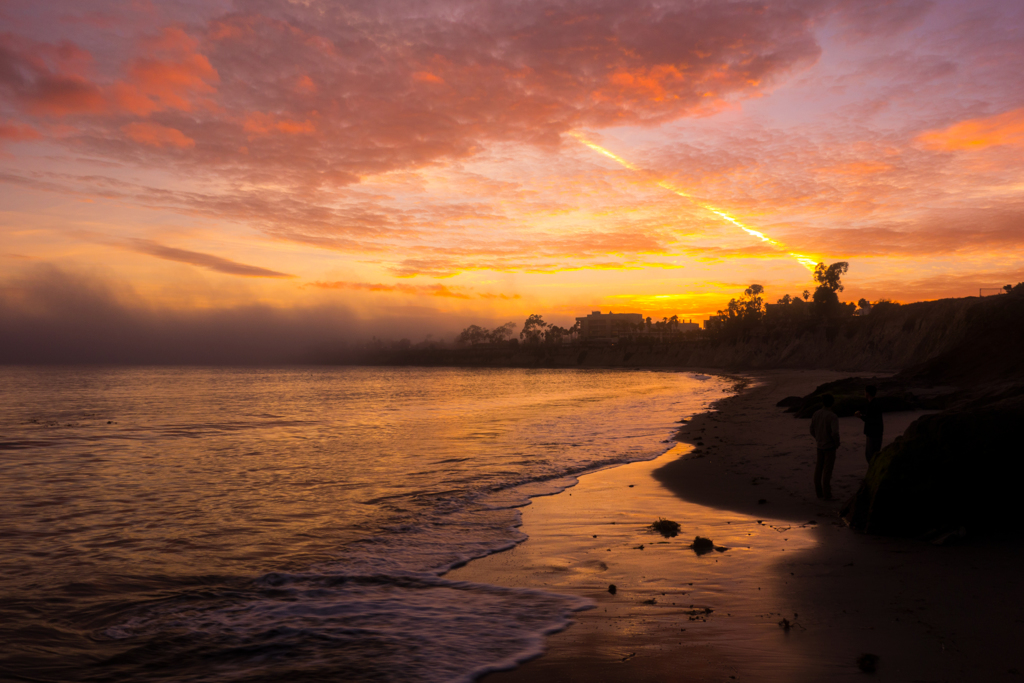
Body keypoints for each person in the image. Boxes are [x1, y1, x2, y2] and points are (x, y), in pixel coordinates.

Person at [810, 394, 840, 500]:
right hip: (829, 446)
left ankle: (819, 492)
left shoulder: (816, 414)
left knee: (819, 468)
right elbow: (835, 432)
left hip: (819, 445)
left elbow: (812, 430)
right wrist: (837, 443)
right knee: (827, 471)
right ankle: (827, 494)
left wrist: (818, 438)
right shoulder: (832, 416)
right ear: (832, 403)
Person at [854, 385, 883, 464]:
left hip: (873, 433)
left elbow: (871, 419)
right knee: (871, 455)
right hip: (875, 432)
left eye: (865, 392)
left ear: (867, 393)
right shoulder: (874, 403)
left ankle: (872, 473)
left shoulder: (873, 404)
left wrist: (861, 416)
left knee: (871, 455)